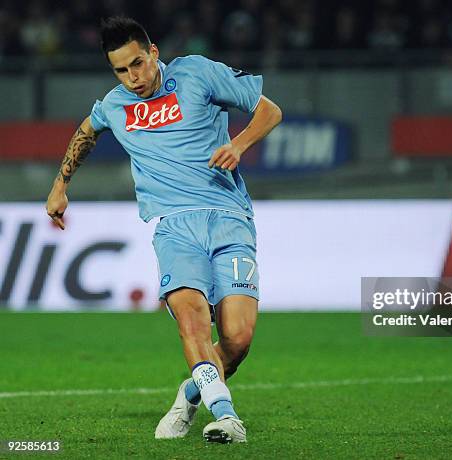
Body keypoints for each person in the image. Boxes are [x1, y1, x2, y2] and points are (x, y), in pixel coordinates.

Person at [45, 16, 282, 444]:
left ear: (153, 52)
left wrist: (238, 145)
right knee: (192, 323)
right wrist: (60, 185)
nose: (132, 77)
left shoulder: (195, 73)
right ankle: (227, 417)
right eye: (121, 70)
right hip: (175, 227)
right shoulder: (116, 105)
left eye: (137, 63)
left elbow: (269, 109)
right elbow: (87, 131)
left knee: (238, 338)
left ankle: (188, 398)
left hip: (229, 218)